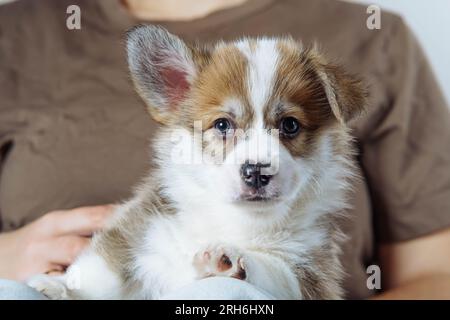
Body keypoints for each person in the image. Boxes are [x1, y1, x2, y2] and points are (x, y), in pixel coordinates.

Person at [0, 0, 449, 299]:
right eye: (223, 126)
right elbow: (118, 253)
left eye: (288, 125)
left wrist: (247, 278)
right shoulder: (17, 32)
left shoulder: (376, 34)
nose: (257, 162)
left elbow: (437, 274)